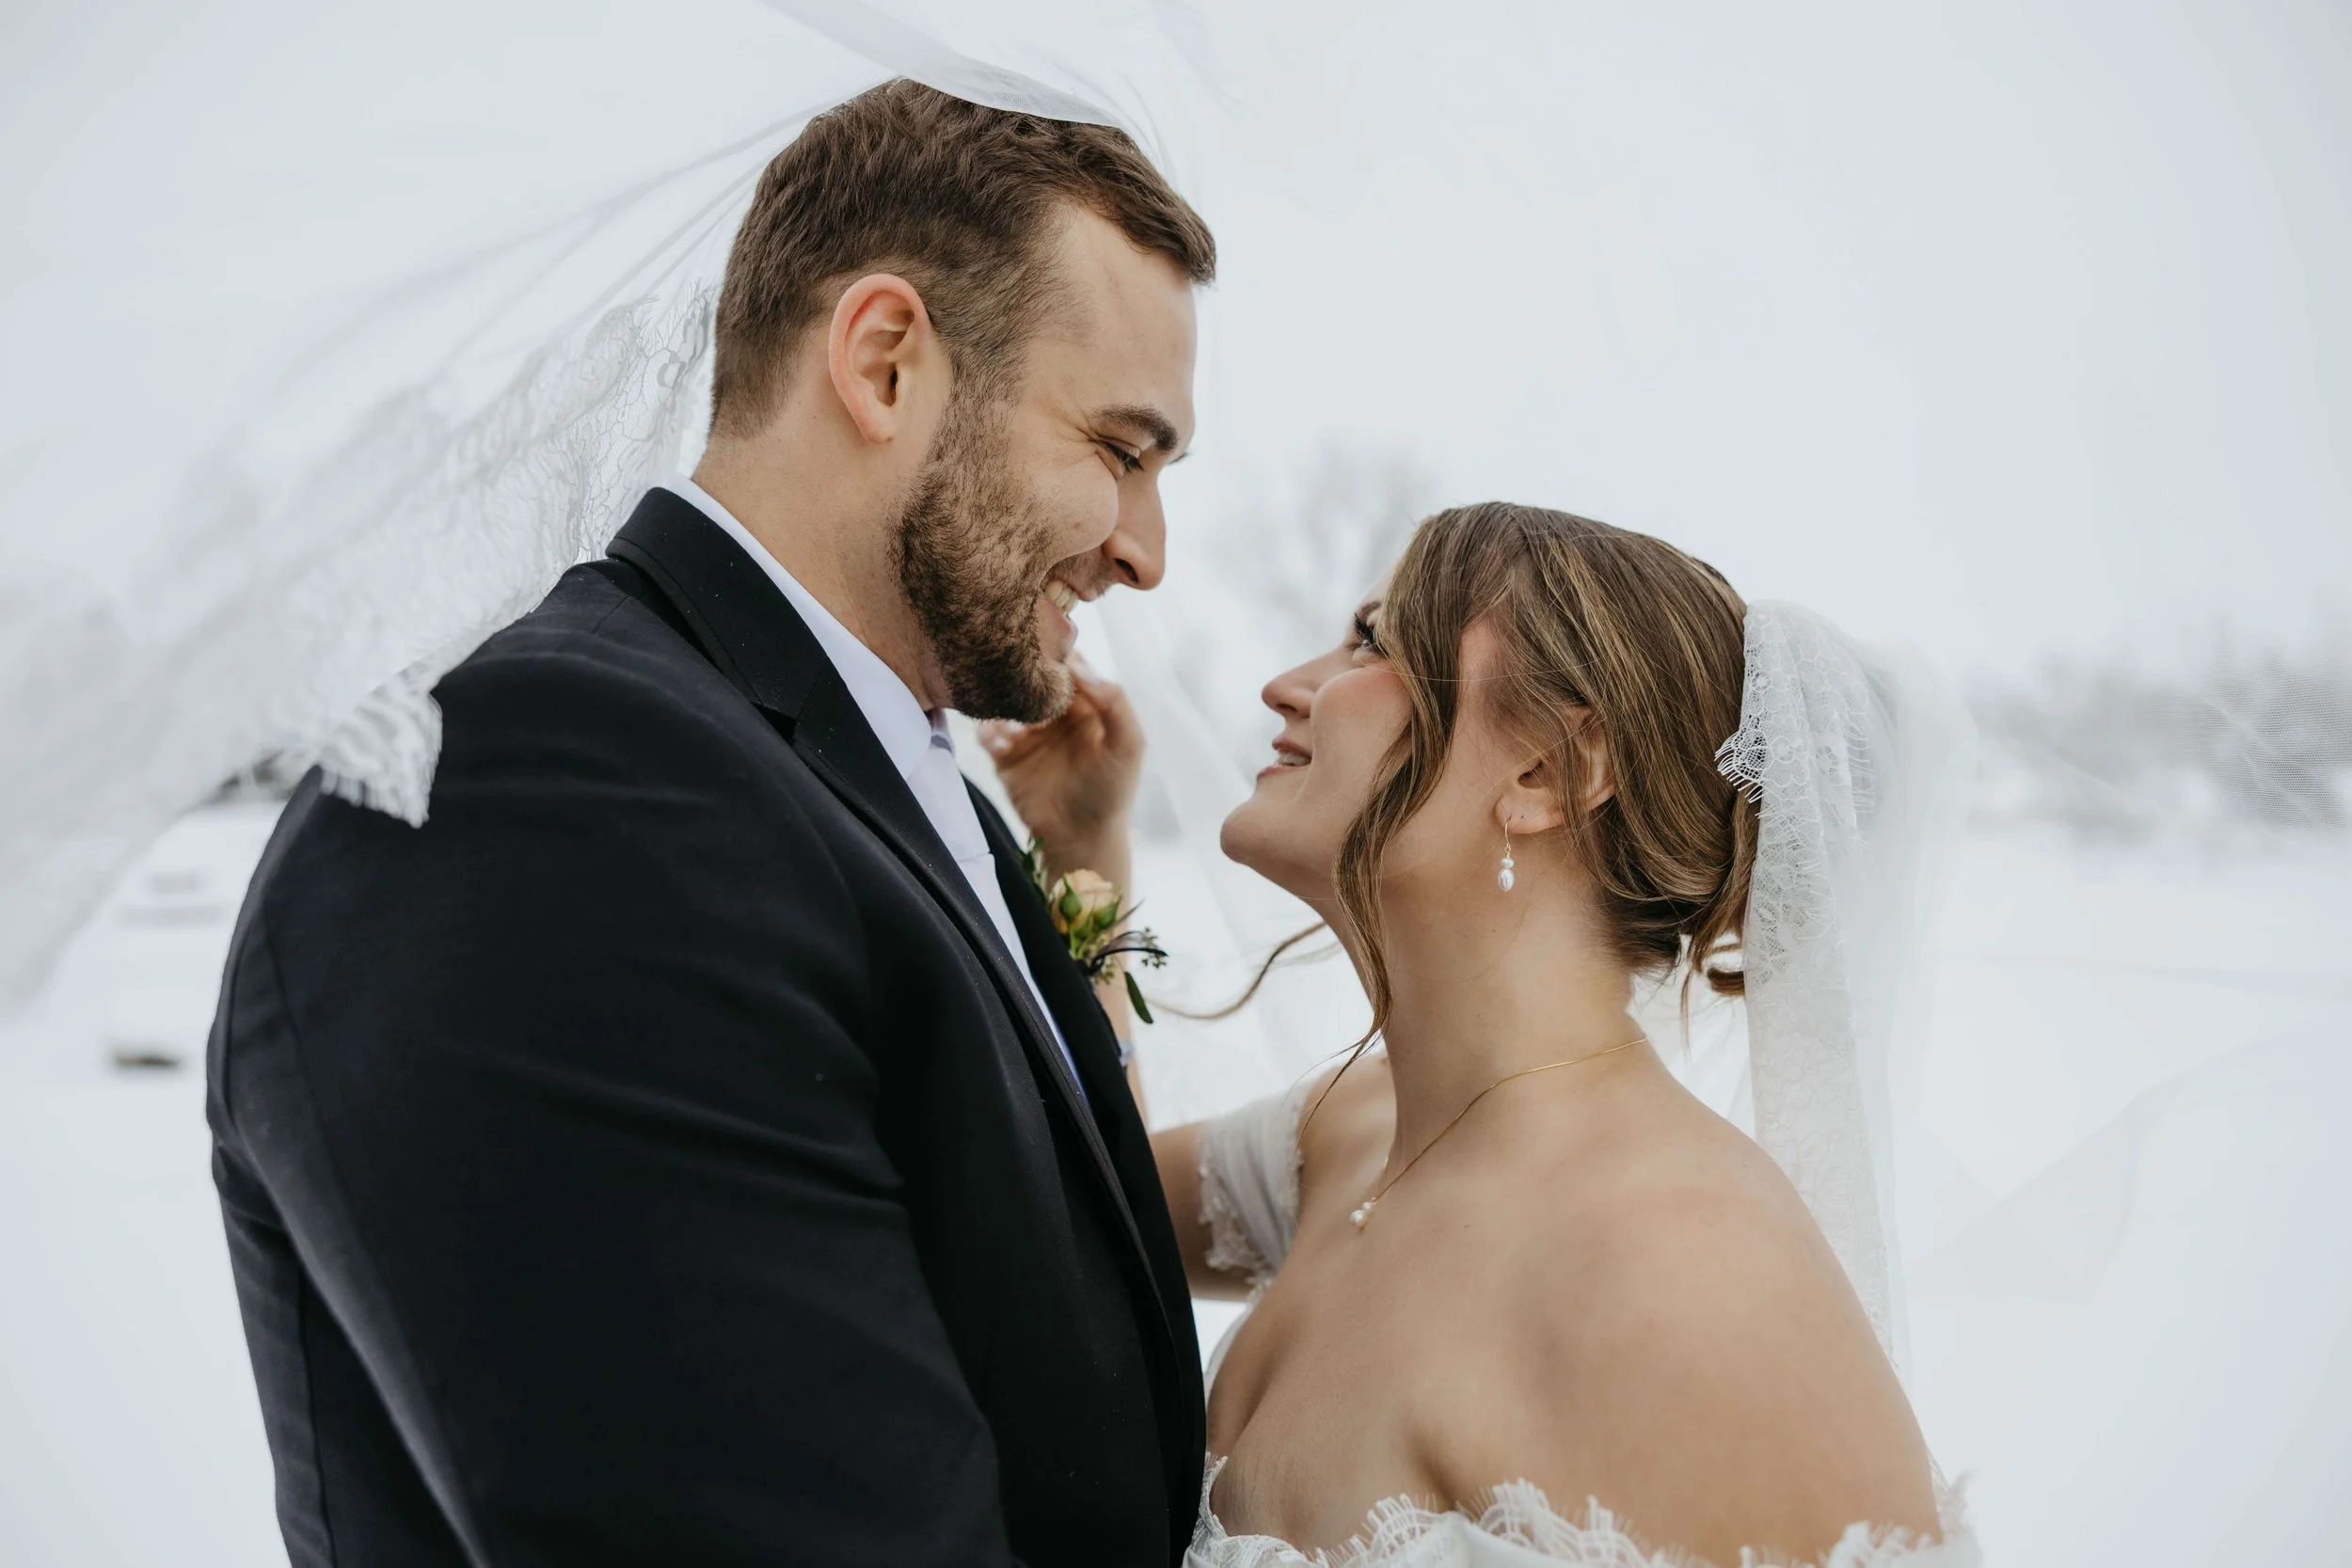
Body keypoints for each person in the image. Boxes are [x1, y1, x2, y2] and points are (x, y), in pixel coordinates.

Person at [205, 80, 1215, 1568]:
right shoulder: (553, 798)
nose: (1146, 548)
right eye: (1120, 449)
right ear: (884, 364)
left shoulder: (862, 775)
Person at [1002, 502, 1977, 1566]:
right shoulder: (1352, 1130)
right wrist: (1079, 848)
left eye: (1373, 641)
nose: (1287, 682)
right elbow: (1087, 1199)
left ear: (1548, 771)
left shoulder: (1684, 1272)